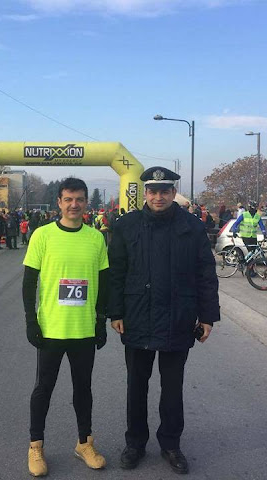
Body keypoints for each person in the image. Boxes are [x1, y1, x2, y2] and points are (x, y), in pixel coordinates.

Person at [108, 167, 220, 474]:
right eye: (153, 191)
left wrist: (208, 316)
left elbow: (205, 273)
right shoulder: (126, 225)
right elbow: (116, 272)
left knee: (172, 389)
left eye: (165, 191)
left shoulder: (191, 226)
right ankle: (135, 443)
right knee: (136, 387)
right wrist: (115, 312)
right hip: (137, 316)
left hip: (178, 317)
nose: (159, 197)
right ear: (145, 193)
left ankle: (171, 444)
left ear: (173, 193)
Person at [22, 177, 108, 477]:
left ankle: (85, 443)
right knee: (43, 389)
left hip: (83, 330)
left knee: (83, 390)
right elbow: (29, 282)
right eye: (68, 199)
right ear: (59, 202)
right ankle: (36, 446)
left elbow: (104, 284)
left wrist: (101, 321)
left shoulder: (96, 238)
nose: (74, 205)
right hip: (51, 330)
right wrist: (30, 321)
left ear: (86, 203)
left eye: (79, 199)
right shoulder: (42, 235)